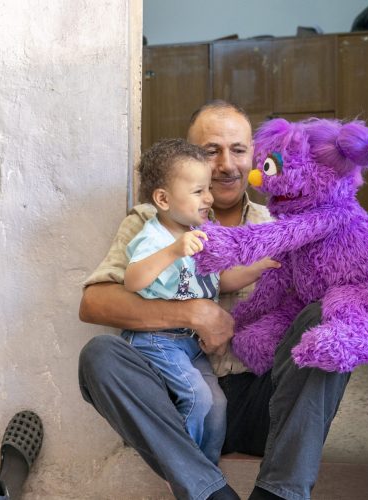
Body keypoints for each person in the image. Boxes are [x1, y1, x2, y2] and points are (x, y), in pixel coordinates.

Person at [78, 100, 351, 500]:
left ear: (254, 156)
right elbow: (95, 303)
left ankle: (280, 493)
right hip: (179, 402)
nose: (226, 165)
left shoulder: (279, 225)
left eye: (238, 150)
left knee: (334, 320)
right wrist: (193, 311)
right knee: (99, 356)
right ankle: (210, 494)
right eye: (211, 151)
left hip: (266, 400)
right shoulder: (150, 222)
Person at [123, 138, 279, 466]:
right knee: (197, 398)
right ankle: (183, 469)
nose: (209, 197)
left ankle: (205, 472)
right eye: (199, 191)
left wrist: (262, 265)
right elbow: (132, 280)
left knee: (216, 405)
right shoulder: (154, 236)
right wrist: (174, 251)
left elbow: (222, 281)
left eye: (207, 188)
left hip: (191, 345)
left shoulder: (201, 231)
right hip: (158, 342)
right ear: (163, 199)